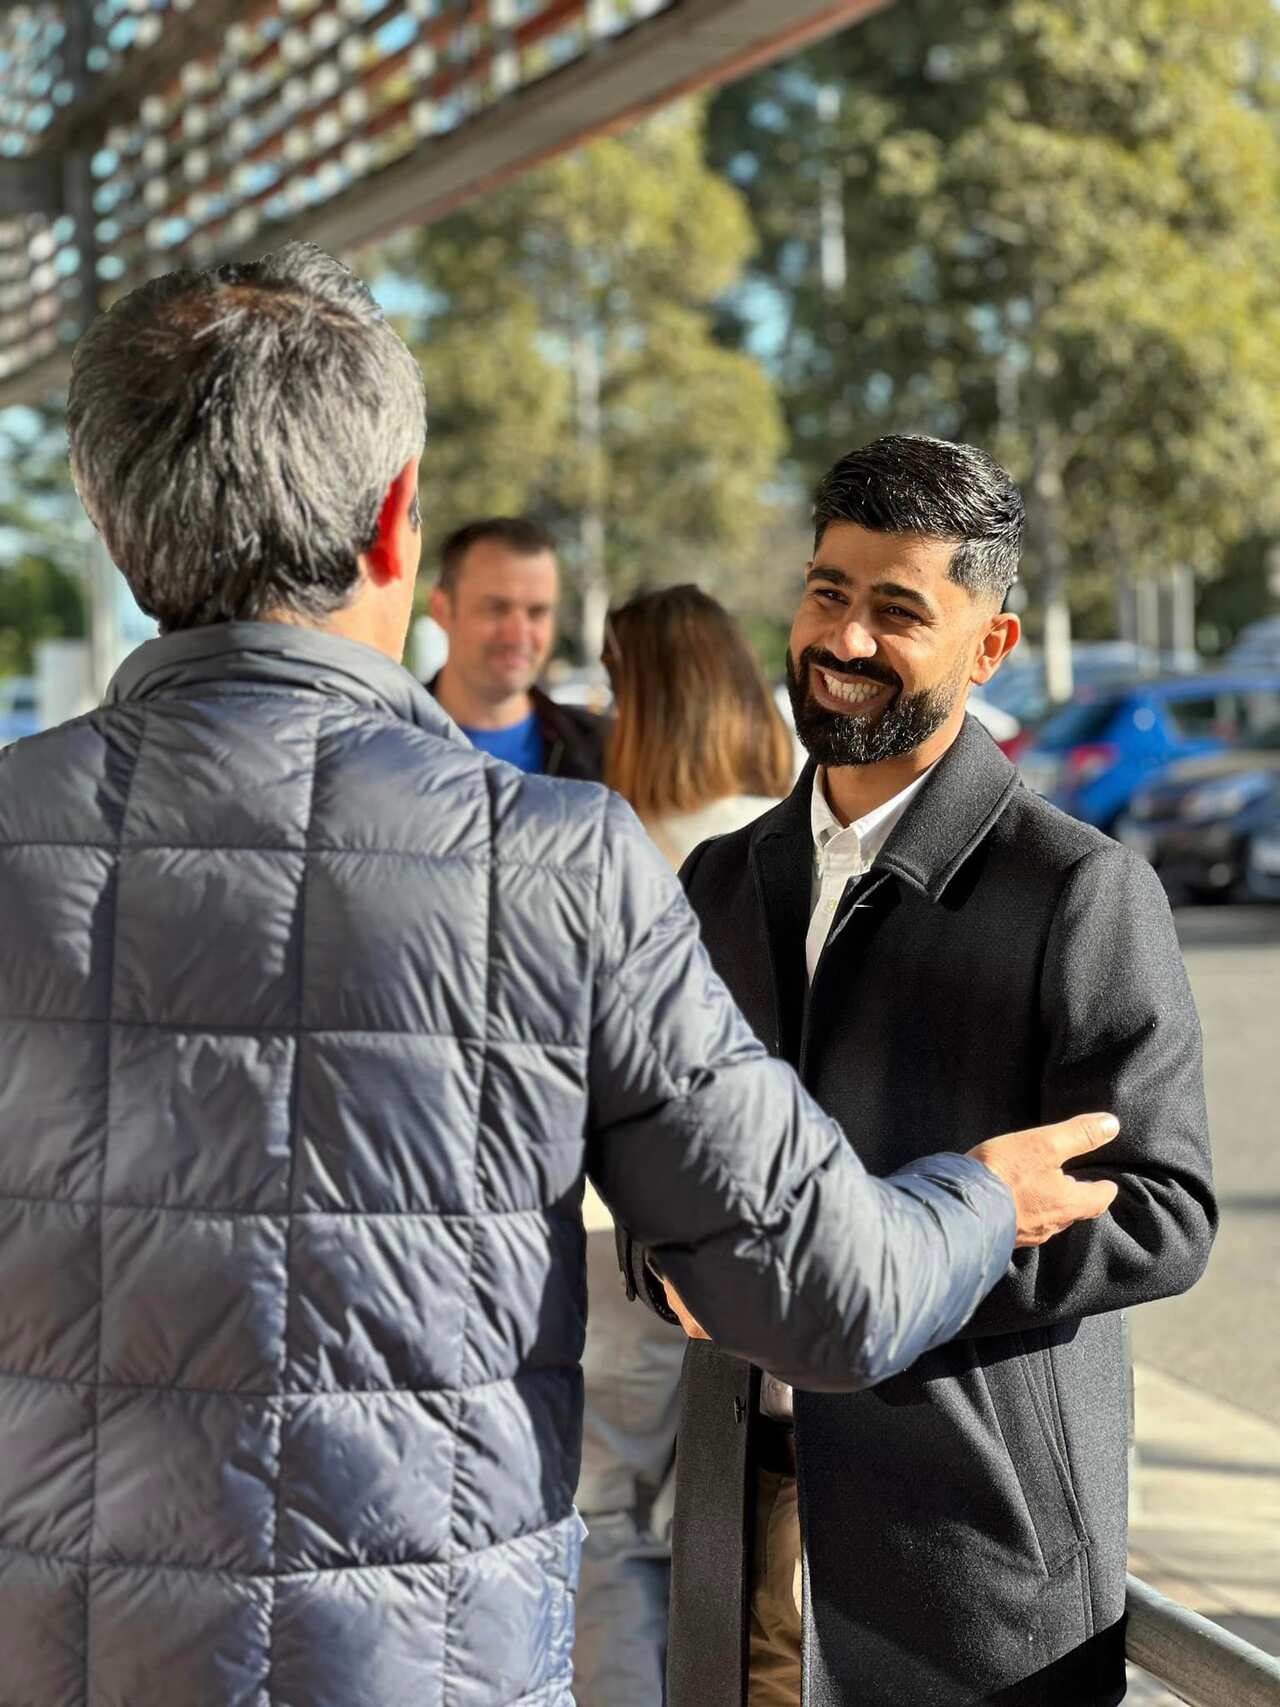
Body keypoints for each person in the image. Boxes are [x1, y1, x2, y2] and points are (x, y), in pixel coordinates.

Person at [0, 247, 1117, 1707]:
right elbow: (825, 1286)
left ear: (107, 513)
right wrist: (987, 1194)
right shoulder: (550, 860)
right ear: (398, 518)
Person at [648, 435, 1217, 1707]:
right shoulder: (719, 882)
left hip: (969, 1553)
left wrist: (891, 1263)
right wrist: (669, 1262)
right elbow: (654, 1154)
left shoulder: (1076, 891)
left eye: (896, 609)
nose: (843, 640)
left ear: (990, 645)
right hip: (737, 1516)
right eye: (826, 592)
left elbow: (1162, 1210)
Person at [574, 586, 795, 1706]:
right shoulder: (794, 833)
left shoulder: (621, 849)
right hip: (766, 1251)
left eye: (617, 685)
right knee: (726, 1531)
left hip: (625, 1244)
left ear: (650, 697)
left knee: (610, 1522)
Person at [426, 516, 606, 778]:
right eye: (496, 609)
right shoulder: (381, 748)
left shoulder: (608, 755)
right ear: (441, 610)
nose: (518, 635)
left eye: (537, 612)